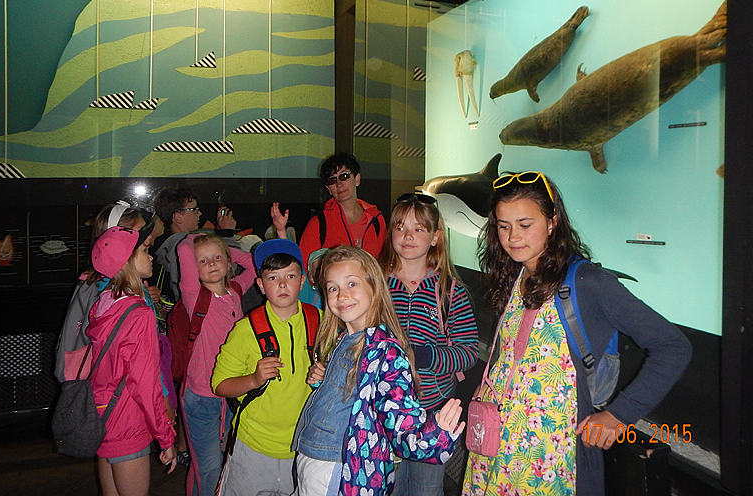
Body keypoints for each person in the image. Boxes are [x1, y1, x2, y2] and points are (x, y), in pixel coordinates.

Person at [462, 171, 692, 496]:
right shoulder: (516, 277)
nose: (513, 236)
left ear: (552, 222)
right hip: (495, 447)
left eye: (525, 224)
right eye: (503, 226)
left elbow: (673, 346)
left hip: (548, 456)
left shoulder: (587, 283)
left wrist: (619, 415)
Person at [292, 245, 465, 496]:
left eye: (352, 284)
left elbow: (400, 419)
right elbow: (355, 396)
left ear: (374, 288)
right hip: (315, 456)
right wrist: (325, 382)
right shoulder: (346, 338)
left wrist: (435, 436)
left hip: (337, 465)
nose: (342, 295)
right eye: (333, 288)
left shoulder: (385, 351)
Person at [379, 193, 480, 496]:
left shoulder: (450, 291)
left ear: (435, 237)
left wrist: (423, 356)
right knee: (388, 487)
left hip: (433, 413)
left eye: (419, 228)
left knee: (426, 489)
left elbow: (469, 352)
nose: (408, 236)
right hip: (386, 412)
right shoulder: (376, 287)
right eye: (400, 227)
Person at [211, 239, 319, 496]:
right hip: (253, 447)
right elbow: (219, 385)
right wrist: (253, 379)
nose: (282, 284)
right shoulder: (245, 329)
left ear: (302, 281)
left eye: (290, 276)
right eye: (272, 278)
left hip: (303, 447)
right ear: (260, 285)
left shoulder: (320, 321)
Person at [87, 224, 177, 496]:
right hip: (128, 420)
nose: (150, 256)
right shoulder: (138, 314)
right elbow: (145, 384)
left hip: (103, 411)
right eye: (145, 250)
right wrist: (166, 437)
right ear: (127, 261)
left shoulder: (103, 303)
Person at [176, 232, 257, 496]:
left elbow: (255, 264)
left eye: (217, 258)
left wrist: (226, 250)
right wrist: (195, 236)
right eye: (203, 261)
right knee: (209, 466)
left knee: (221, 462)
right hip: (202, 397)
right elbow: (183, 251)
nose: (211, 263)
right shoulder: (194, 295)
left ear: (228, 262)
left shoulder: (235, 291)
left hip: (232, 392)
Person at [298, 152, 386, 266]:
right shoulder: (318, 224)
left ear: (357, 179)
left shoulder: (376, 220)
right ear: (328, 189)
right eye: (332, 180)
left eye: (344, 176)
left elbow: (384, 263)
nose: (339, 184)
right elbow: (302, 267)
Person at [271, 202, 326, 308]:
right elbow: (292, 260)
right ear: (310, 278)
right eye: (318, 268)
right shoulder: (308, 295)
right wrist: (281, 231)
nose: (323, 272)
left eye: (327, 266)